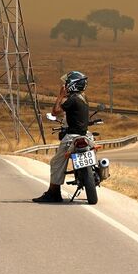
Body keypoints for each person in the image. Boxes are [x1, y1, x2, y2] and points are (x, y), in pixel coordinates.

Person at [32, 70, 91, 203]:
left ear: (72, 84)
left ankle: (54, 193)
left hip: (72, 137)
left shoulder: (73, 99)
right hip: (85, 134)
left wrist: (60, 96)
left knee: (56, 162)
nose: (65, 85)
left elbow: (55, 111)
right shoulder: (83, 98)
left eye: (67, 83)